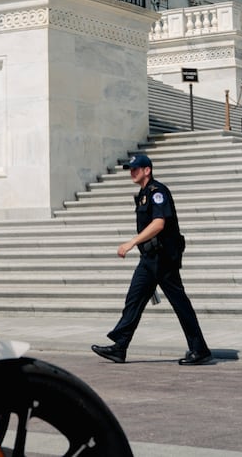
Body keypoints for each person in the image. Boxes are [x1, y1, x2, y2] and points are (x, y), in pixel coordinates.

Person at [91, 153, 212, 367]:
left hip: (164, 258)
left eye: (136, 168)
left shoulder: (158, 192)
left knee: (180, 303)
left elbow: (158, 224)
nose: (132, 172)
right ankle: (120, 347)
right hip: (149, 259)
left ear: (147, 170)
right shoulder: (143, 194)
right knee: (134, 300)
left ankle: (199, 349)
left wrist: (130, 243)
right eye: (130, 169)